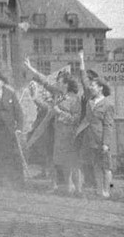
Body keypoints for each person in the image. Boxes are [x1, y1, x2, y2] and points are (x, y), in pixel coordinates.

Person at [23, 58, 81, 194]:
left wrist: (60, 113)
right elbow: (45, 81)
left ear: (66, 84)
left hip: (69, 134)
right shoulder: (57, 93)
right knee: (59, 161)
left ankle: (77, 189)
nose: (57, 83)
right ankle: (67, 186)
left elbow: (76, 118)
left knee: (72, 163)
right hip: (58, 133)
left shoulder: (74, 98)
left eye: (59, 81)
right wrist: (31, 68)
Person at [77, 50, 115, 198]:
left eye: (93, 85)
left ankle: (107, 190)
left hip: (101, 141)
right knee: (95, 166)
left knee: (106, 167)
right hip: (89, 139)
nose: (90, 87)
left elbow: (108, 125)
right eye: (91, 86)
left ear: (100, 88)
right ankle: (100, 189)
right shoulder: (90, 99)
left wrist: (105, 143)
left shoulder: (107, 104)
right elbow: (83, 78)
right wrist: (81, 59)